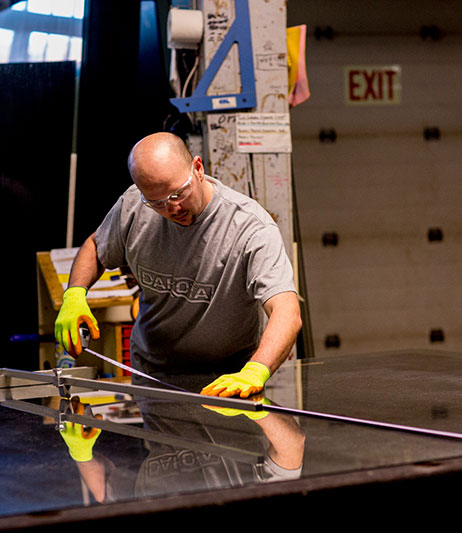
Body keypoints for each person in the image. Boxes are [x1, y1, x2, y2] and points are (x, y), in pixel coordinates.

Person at [55, 132, 301, 398]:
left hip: (229, 378)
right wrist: (75, 294)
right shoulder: (134, 206)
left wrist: (256, 369)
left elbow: (287, 311)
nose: (172, 208)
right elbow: (96, 246)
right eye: (157, 202)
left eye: (178, 194)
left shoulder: (250, 227)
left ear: (197, 168)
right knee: (159, 441)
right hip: (153, 374)